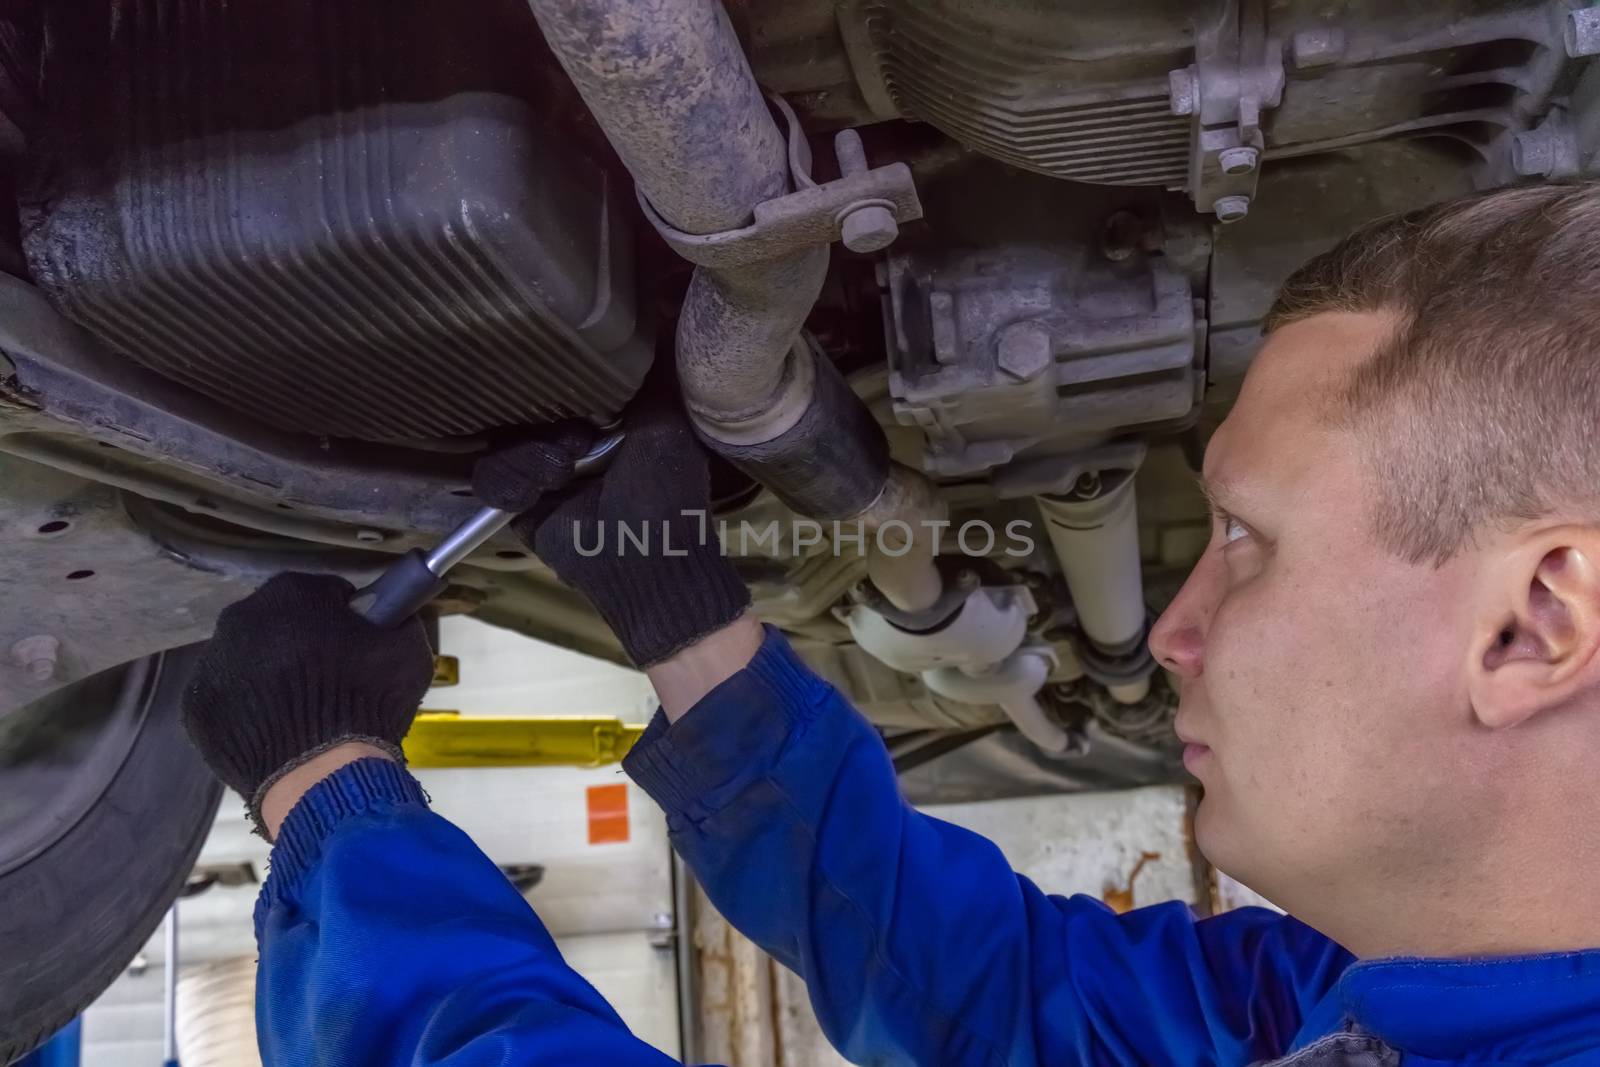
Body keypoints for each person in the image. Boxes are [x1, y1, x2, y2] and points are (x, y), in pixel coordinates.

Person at [179, 182, 1600, 1066]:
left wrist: (331, 804)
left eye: (1249, 541)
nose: (1177, 629)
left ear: (1535, 625)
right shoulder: (1366, 1008)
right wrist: (680, 613)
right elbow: (999, 998)